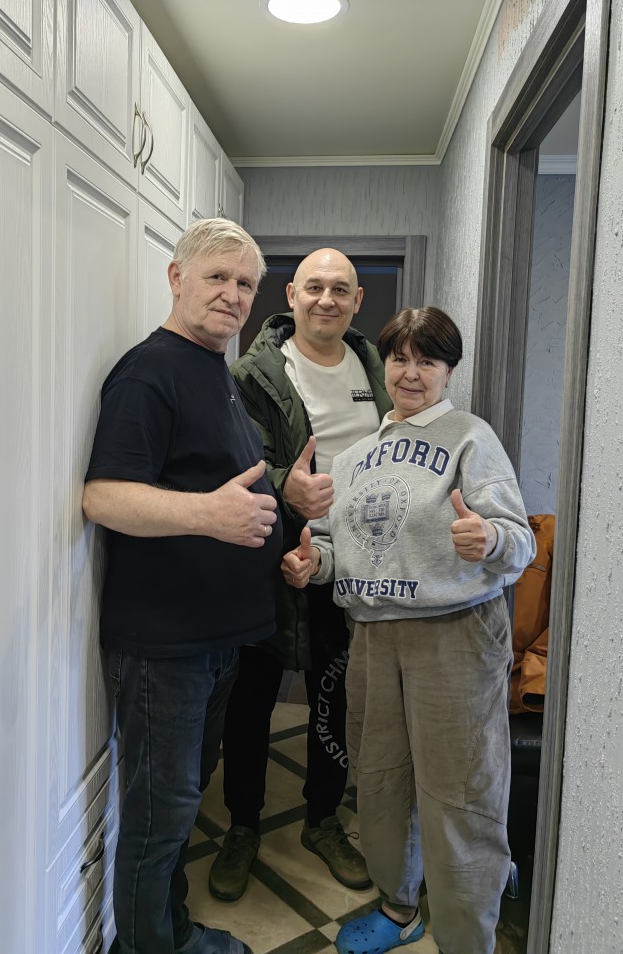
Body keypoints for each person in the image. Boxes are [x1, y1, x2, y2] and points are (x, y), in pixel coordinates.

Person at [282, 306, 536, 954]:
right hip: (373, 637)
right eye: (400, 358)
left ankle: (467, 937)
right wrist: (313, 563)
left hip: (455, 635)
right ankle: (399, 908)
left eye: (429, 360)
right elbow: (336, 546)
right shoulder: (354, 456)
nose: (412, 373)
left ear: (449, 370)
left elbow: (519, 539)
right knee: (381, 780)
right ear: (385, 364)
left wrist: (489, 539)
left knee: (461, 794)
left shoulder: (470, 437)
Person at [82, 218, 282, 954]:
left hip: (214, 642)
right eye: (217, 277)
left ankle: (170, 933)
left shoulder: (213, 370)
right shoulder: (149, 373)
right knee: (155, 824)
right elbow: (103, 496)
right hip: (164, 649)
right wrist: (210, 516)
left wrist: (280, 525)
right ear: (176, 278)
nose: (233, 294)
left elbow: (220, 480)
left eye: (245, 284)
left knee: (178, 812)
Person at [208, 248, 392, 903]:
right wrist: (288, 485)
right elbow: (231, 459)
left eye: (340, 289)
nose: (326, 300)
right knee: (252, 699)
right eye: (314, 287)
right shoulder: (254, 373)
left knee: (334, 697)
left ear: (357, 301)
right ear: (291, 295)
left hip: (351, 566)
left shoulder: (377, 367)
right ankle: (242, 825)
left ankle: (322, 819)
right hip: (271, 561)